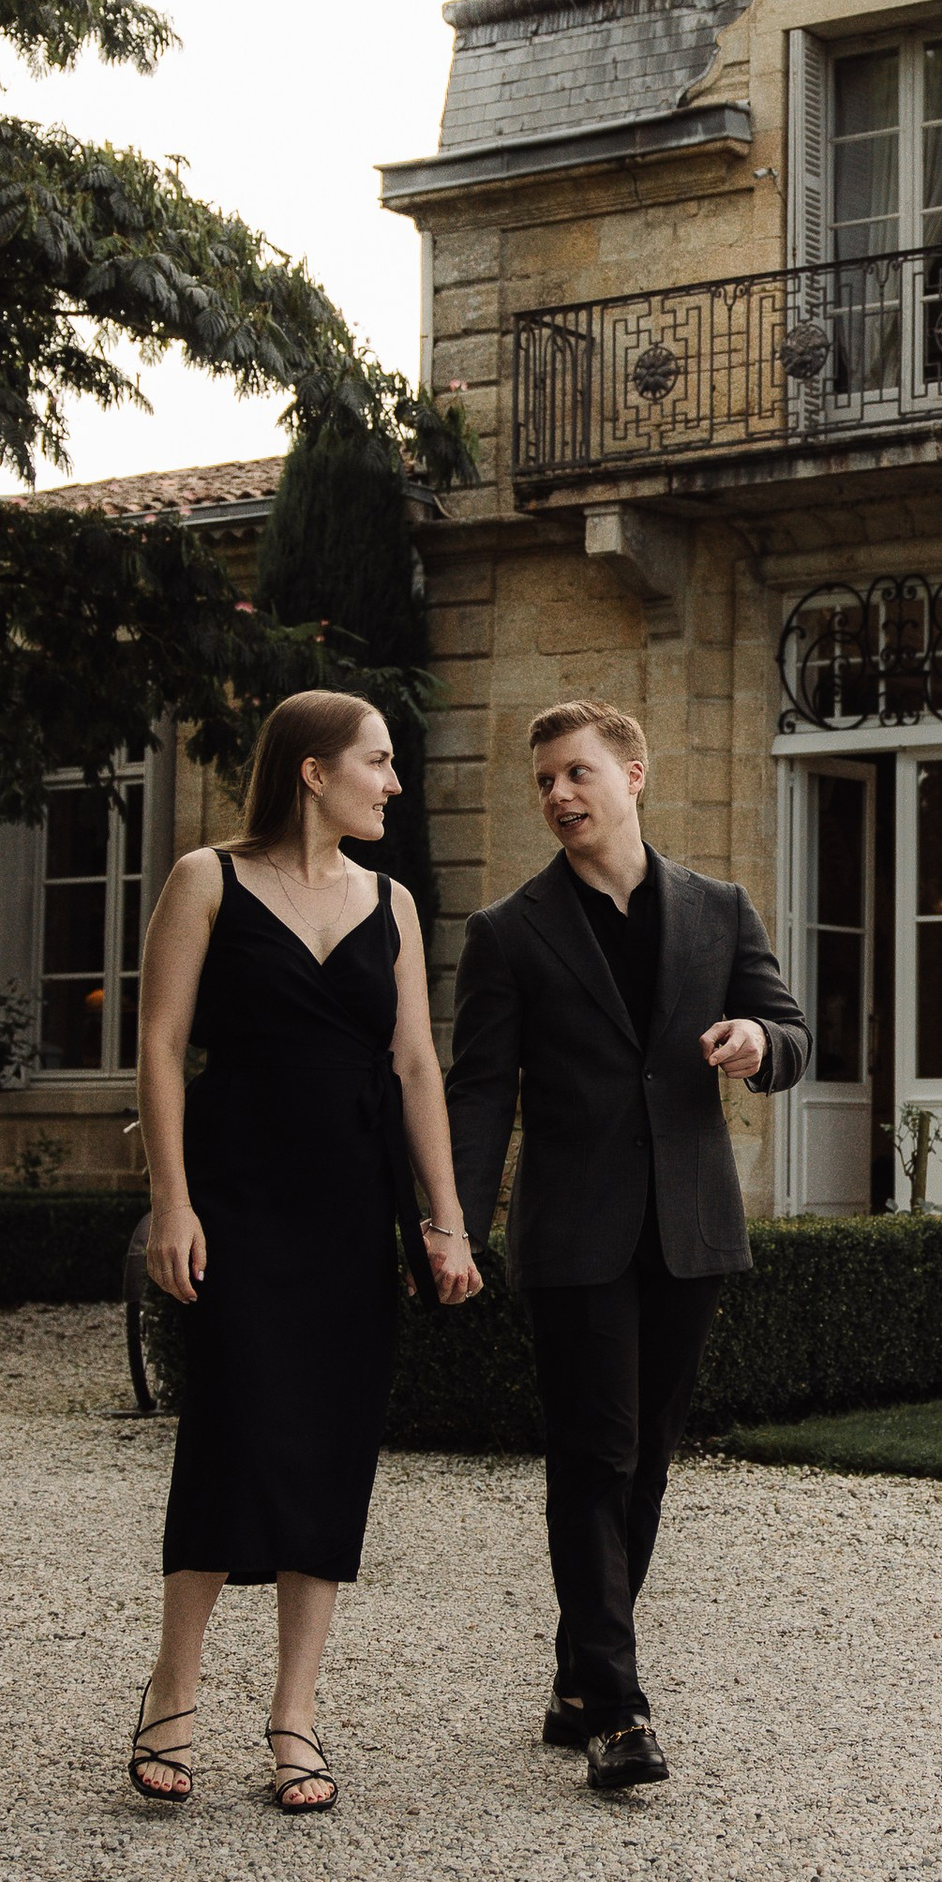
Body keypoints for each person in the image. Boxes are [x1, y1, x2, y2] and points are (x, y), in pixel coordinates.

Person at [445, 697, 809, 1794]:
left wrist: (758, 1041)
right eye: (544, 781)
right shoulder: (508, 932)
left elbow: (793, 1032)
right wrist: (453, 1223)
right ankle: (617, 1710)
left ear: (633, 776)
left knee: (645, 1460)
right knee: (595, 1456)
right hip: (574, 1233)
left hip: (689, 1227)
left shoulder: (718, 909)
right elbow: (481, 1094)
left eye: (577, 773)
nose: (558, 795)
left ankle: (575, 1683)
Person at [129, 692, 480, 1814]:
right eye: (378, 762)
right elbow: (161, 1045)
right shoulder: (206, 880)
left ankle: (296, 1715)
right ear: (313, 772)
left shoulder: (393, 902)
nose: (394, 784)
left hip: (351, 1206)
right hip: (236, 1198)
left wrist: (444, 1219)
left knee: (332, 1448)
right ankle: (173, 1688)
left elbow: (416, 1065)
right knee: (228, 1431)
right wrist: (172, 1203)